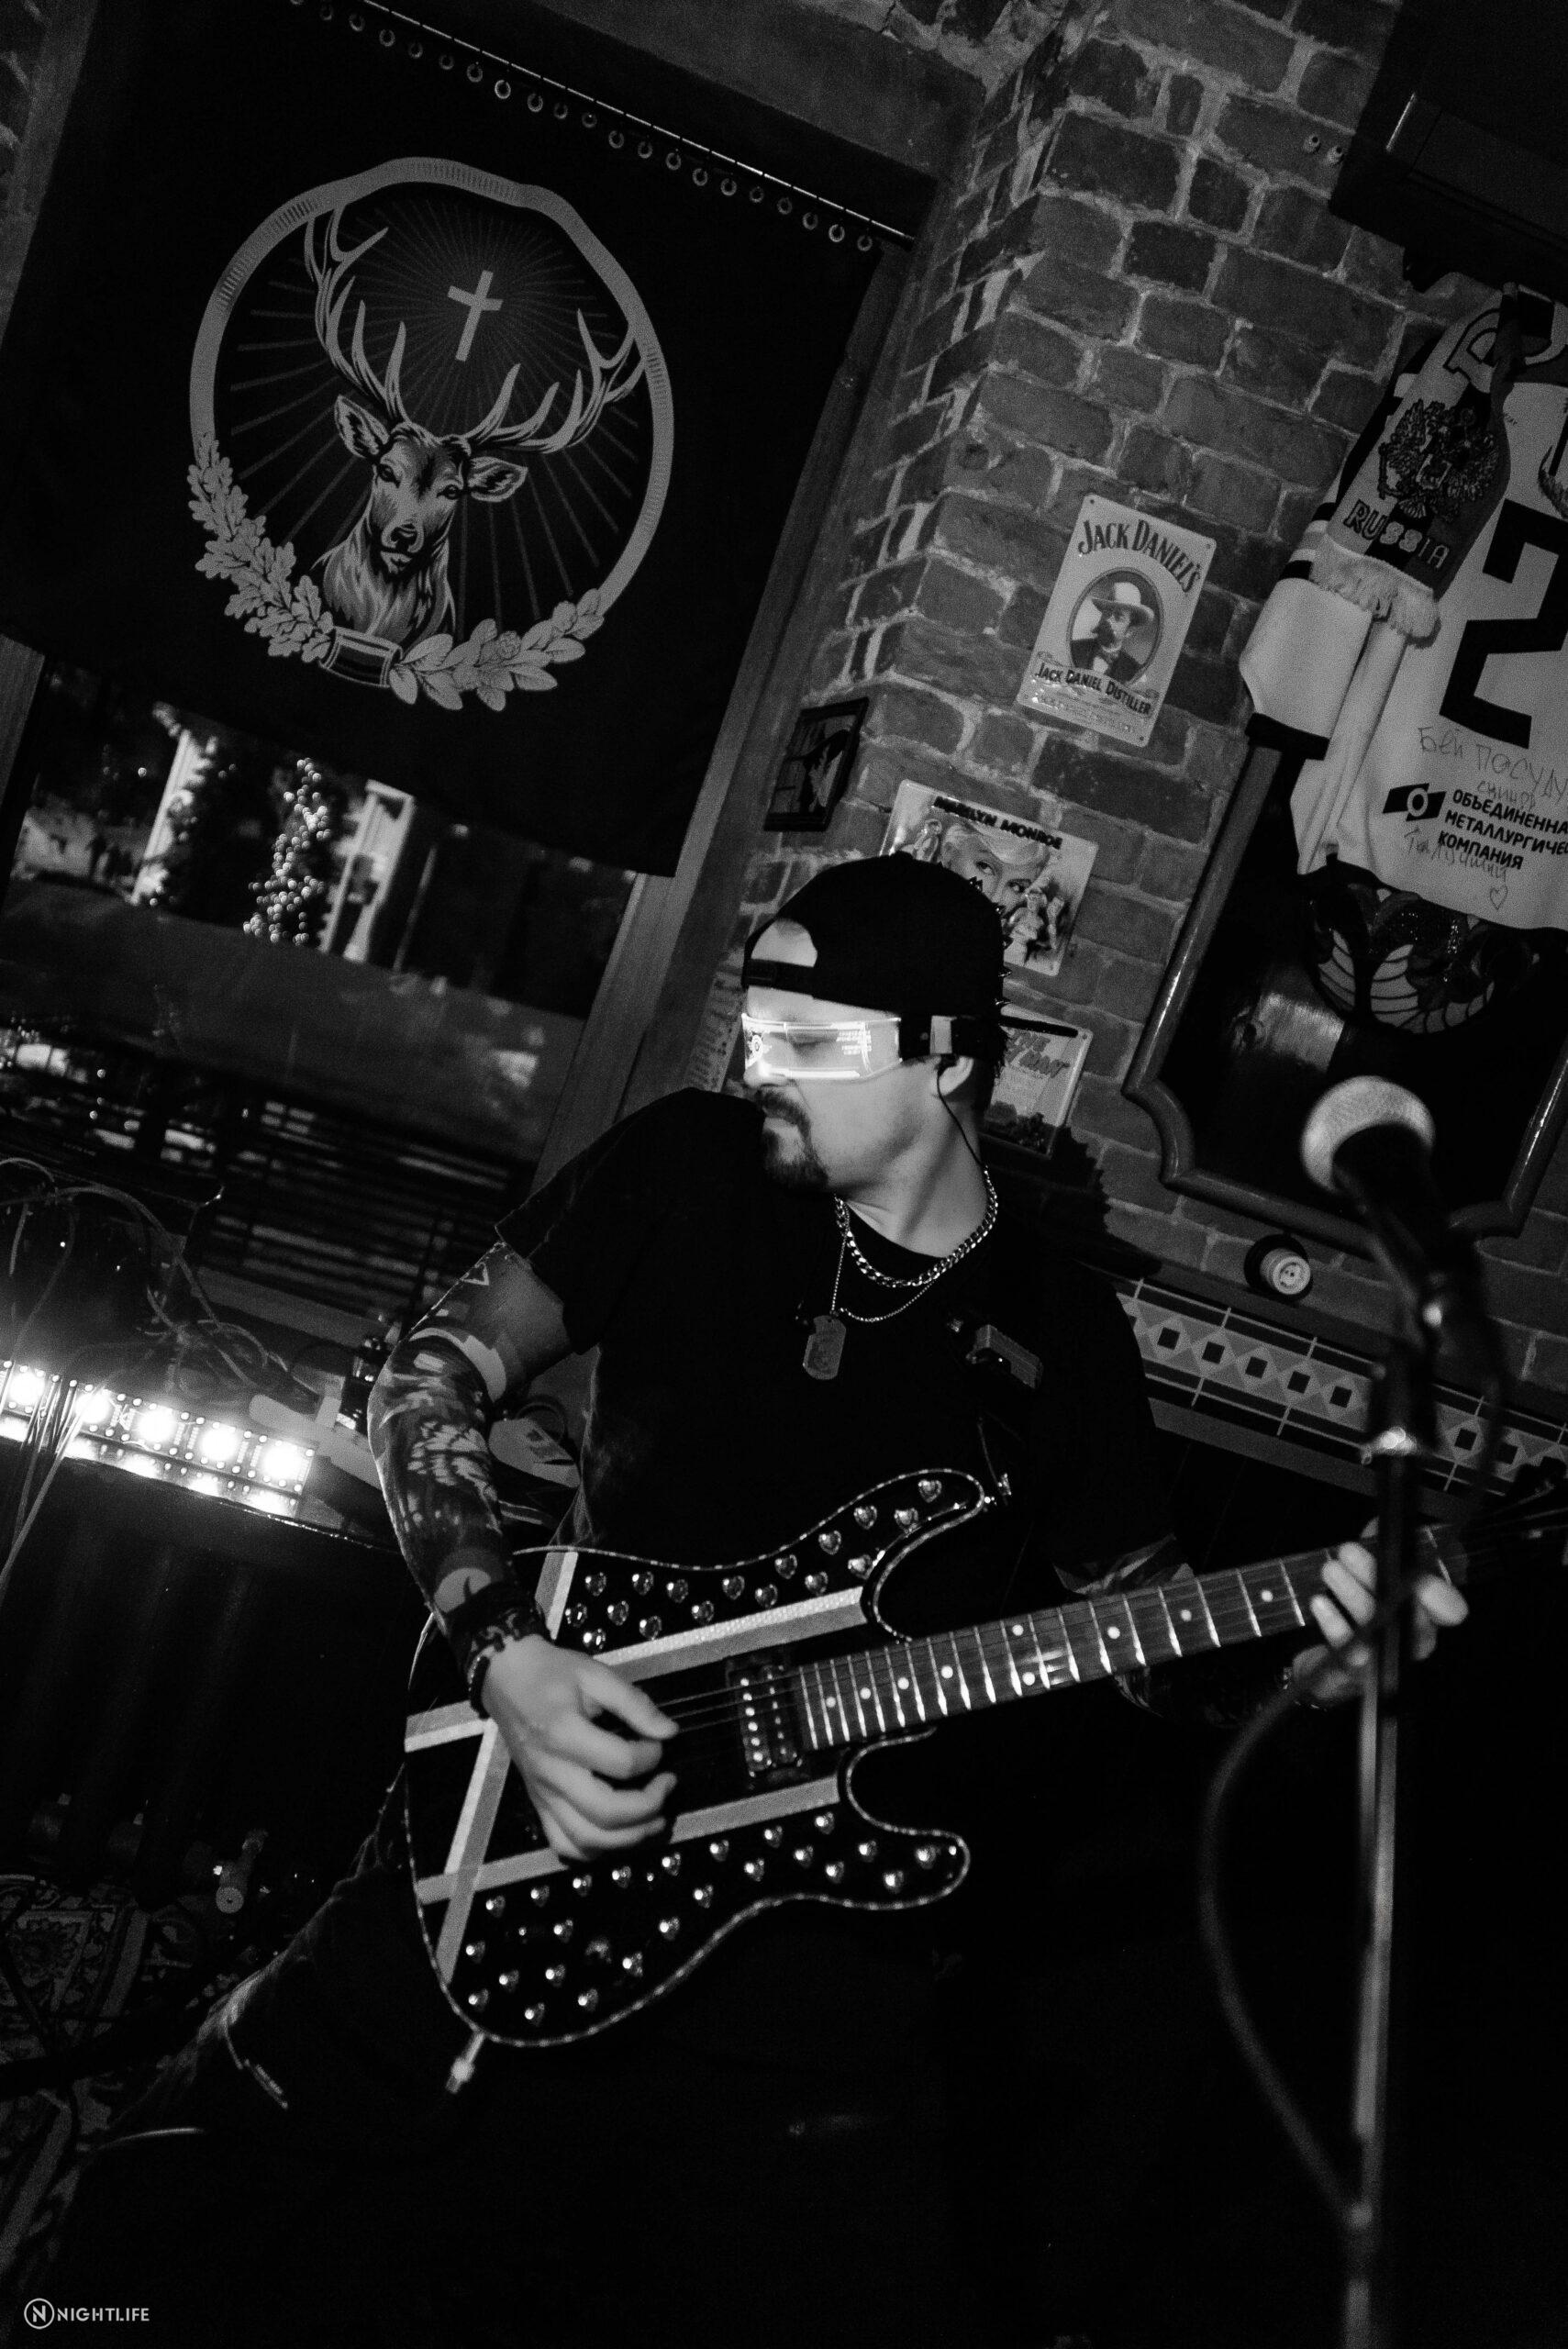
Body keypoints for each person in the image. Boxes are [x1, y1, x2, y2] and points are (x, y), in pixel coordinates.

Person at [48, 855, 1462, 2348]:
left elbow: (1147, 1641)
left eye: (806, 1042)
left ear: (947, 1060)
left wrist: (1314, 1668)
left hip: (809, 1941)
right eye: (753, 1027)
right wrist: (502, 1649)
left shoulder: (1060, 1329)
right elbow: (428, 1378)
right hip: (525, 1810)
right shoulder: (686, 1166)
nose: (755, 1064)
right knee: (198, 2216)